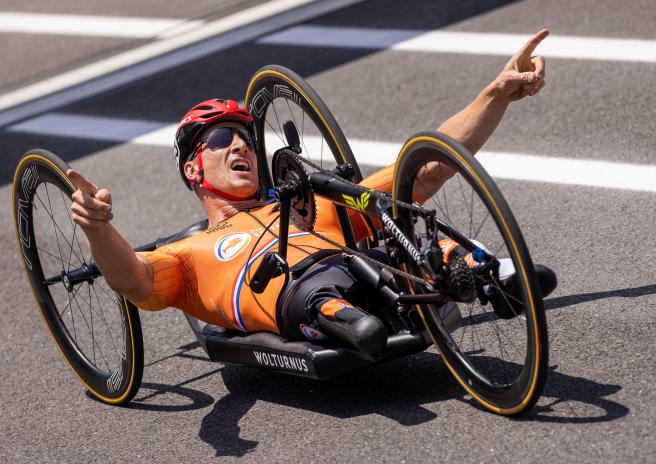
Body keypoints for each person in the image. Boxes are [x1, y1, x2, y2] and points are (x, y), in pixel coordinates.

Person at [68, 29, 556, 355]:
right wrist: (98, 226)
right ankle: (337, 315)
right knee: (306, 289)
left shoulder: (309, 200)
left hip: (368, 271)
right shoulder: (187, 254)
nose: (240, 144)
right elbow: (133, 281)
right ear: (193, 170)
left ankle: (491, 274)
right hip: (301, 296)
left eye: (245, 138)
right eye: (220, 139)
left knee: (405, 222)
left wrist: (496, 93)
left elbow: (427, 167)